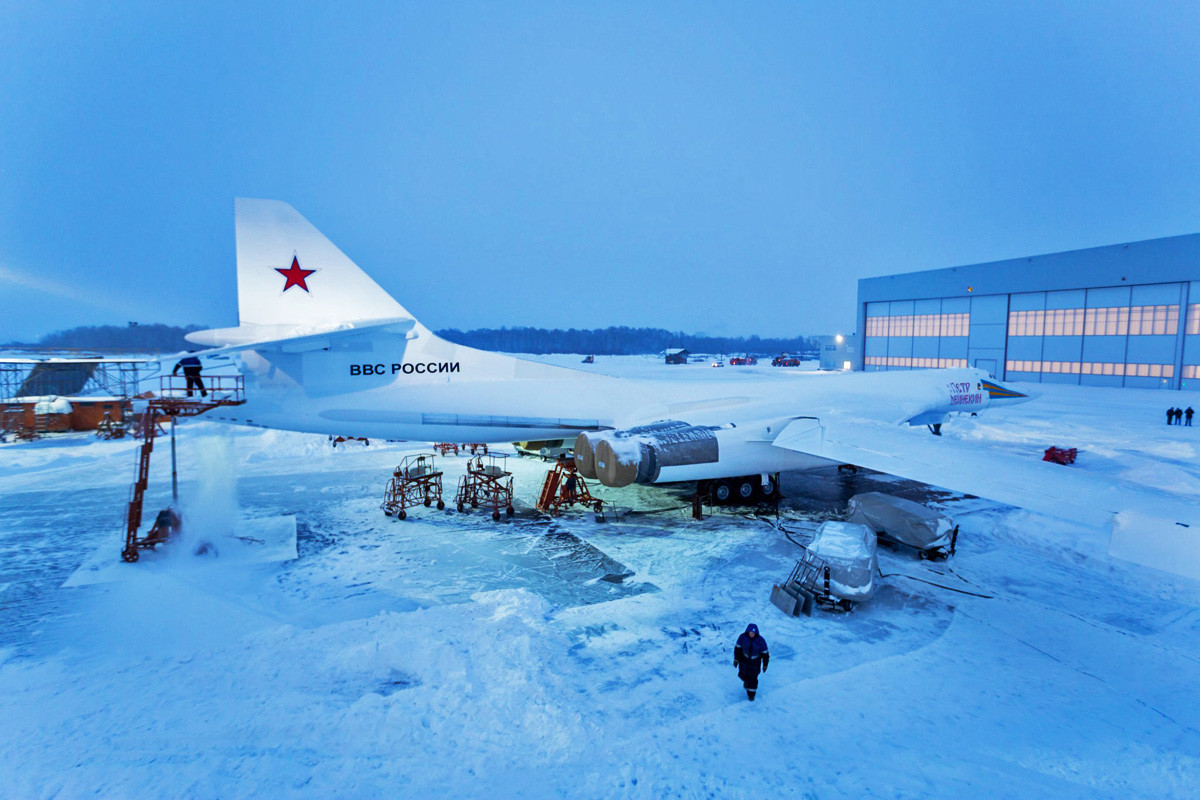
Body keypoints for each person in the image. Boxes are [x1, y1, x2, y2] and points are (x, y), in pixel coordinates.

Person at [733, 623, 769, 701]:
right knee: (743, 675)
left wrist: (765, 664)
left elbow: (765, 653)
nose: (751, 634)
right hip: (744, 660)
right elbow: (737, 648)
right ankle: (746, 681)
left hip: (755, 662)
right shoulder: (742, 637)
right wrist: (736, 659)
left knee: (753, 678)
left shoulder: (761, 640)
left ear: (756, 633)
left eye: (753, 633)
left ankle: (751, 695)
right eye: (750, 632)